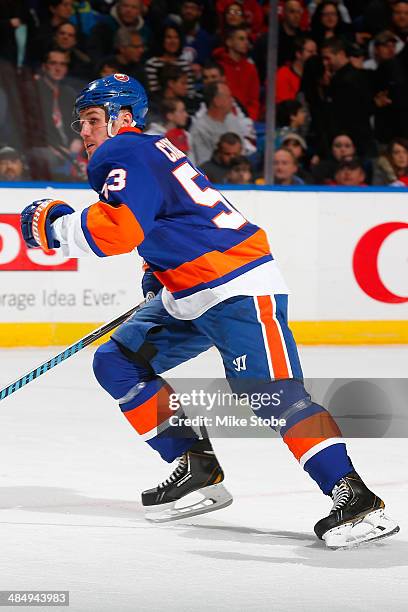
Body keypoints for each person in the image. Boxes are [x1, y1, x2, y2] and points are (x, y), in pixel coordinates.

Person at [20, 73, 399, 548]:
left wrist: (54, 228)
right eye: (82, 122)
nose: (85, 132)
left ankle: (355, 498)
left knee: (272, 395)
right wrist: (153, 273)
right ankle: (195, 467)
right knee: (117, 361)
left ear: (123, 120)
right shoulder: (148, 150)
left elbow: (117, 231)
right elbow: (162, 217)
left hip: (235, 286)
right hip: (189, 290)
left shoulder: (122, 151)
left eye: (94, 120)